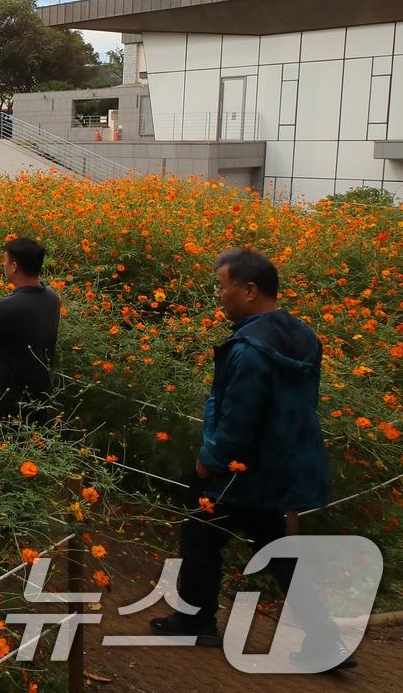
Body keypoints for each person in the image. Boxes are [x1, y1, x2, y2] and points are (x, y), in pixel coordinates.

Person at [150, 248, 351, 669]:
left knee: (200, 537)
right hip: (283, 465)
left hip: (243, 470)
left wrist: (212, 457)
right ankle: (325, 639)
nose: (219, 295)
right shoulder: (303, 336)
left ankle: (198, 621)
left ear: (250, 290)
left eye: (223, 287)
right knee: (277, 550)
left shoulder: (249, 348)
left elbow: (239, 415)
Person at [0, 237, 61, 419]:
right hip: (41, 392)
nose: (3, 265)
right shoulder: (52, 298)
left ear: (13, 267)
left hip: (8, 398)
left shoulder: (4, 306)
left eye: (5, 261)